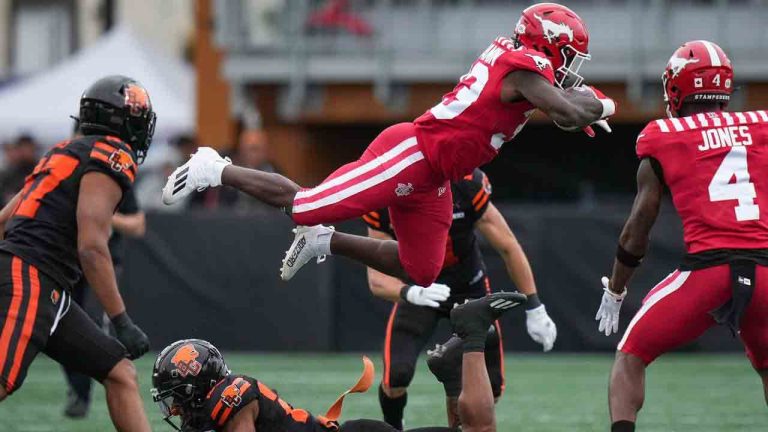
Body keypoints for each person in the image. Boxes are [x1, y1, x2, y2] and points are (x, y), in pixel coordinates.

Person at [162, 3, 615, 288]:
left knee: (423, 270)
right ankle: (215, 168)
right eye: (570, 55)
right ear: (548, 45)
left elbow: (566, 108)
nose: (571, 66)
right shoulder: (522, 69)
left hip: (434, 175)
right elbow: (568, 113)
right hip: (412, 155)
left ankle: (325, 242)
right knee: (303, 206)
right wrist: (602, 101)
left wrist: (587, 103)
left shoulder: (521, 66)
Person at [596, 40, 768, 432]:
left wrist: (616, 289)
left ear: (677, 87)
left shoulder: (662, 135)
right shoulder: (763, 126)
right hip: (765, 271)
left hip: (708, 272)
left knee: (630, 354)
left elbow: (639, 225)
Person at [0, 75, 155, 431]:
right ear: (121, 120)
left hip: (43, 282)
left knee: (119, 373)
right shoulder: (112, 154)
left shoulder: (62, 152)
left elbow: (5, 219)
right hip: (34, 276)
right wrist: (121, 321)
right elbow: (91, 246)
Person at [150, 292, 526, 432]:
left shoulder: (231, 398)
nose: (177, 410)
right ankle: (451, 378)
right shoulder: (224, 403)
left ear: (198, 386)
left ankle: (474, 333)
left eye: (178, 398)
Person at [365, 168, 556, 429]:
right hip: (421, 288)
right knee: (396, 375)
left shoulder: (465, 184)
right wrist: (411, 292)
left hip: (467, 286)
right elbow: (376, 279)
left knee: (491, 387)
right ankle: (393, 427)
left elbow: (507, 245)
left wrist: (535, 305)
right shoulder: (385, 194)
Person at [62, 186, 146, 418]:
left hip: (104, 262)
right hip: (69, 260)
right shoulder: (74, 177)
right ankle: (79, 390)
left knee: (98, 324)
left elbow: (137, 225)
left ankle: (111, 386)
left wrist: (102, 214)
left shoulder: (117, 179)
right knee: (63, 323)